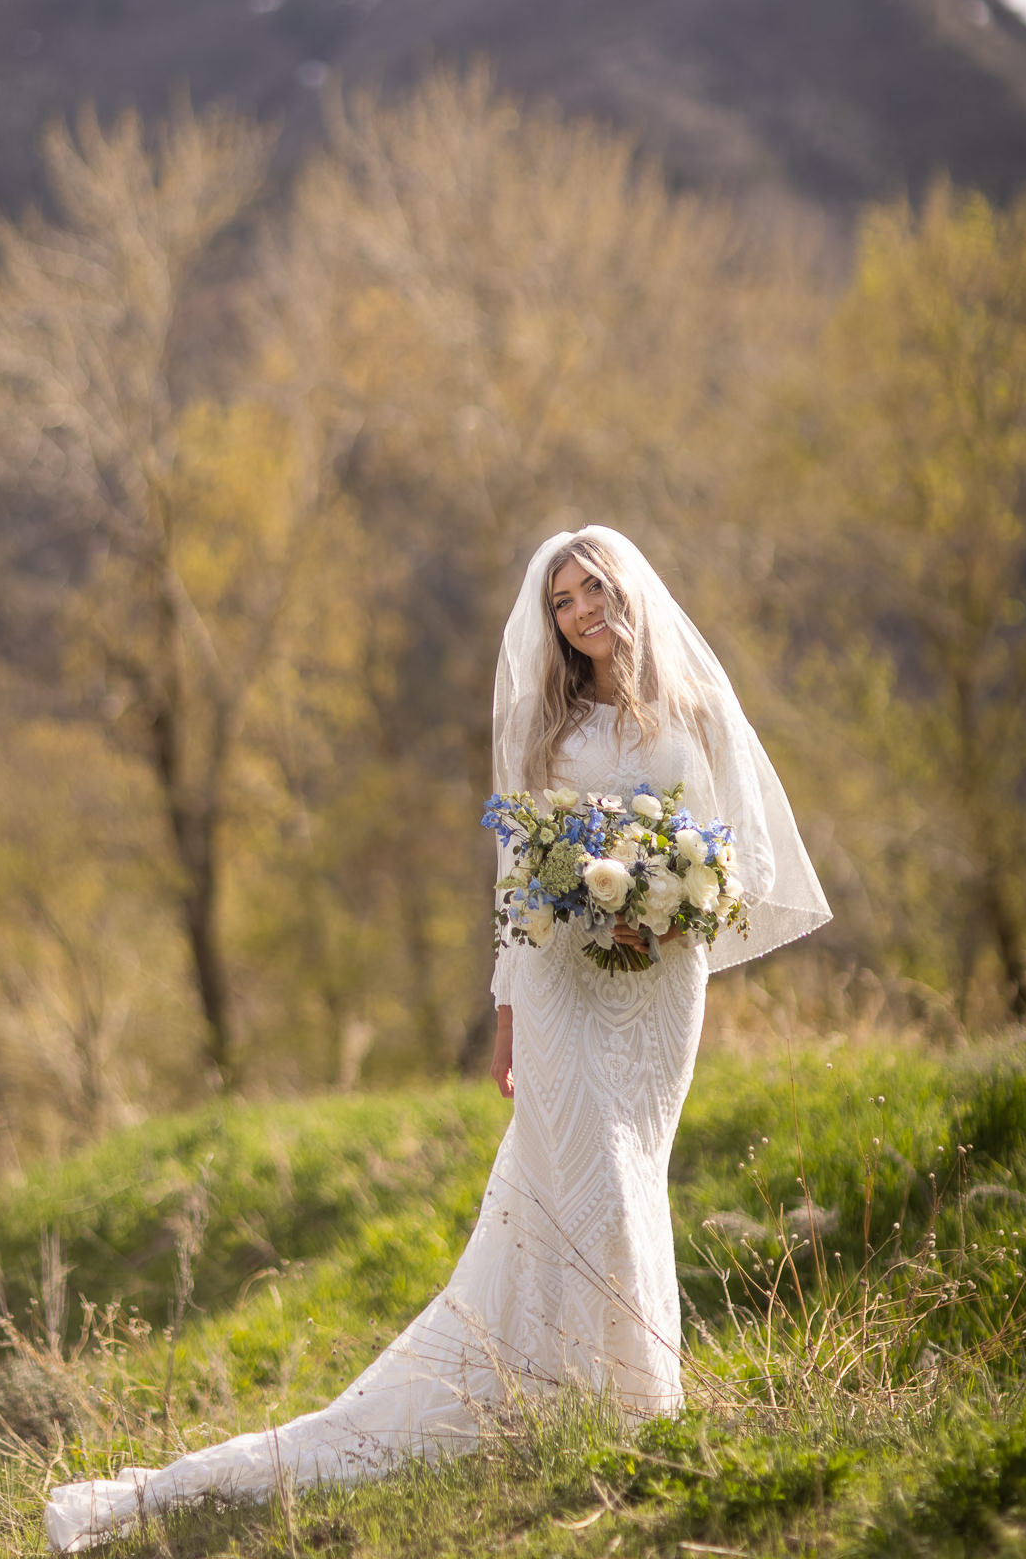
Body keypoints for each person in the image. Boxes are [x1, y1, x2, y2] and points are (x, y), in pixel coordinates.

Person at [43, 525, 830, 1551]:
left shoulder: (697, 711)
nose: (582, 611)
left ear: (629, 590)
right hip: (558, 982)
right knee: (580, 1164)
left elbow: (741, 859)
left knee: (628, 1174)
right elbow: (516, 883)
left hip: (659, 989)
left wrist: (669, 910)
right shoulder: (543, 728)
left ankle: (581, 1392)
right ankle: (632, 1407)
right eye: (561, 601)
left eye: (594, 588)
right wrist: (509, 1013)